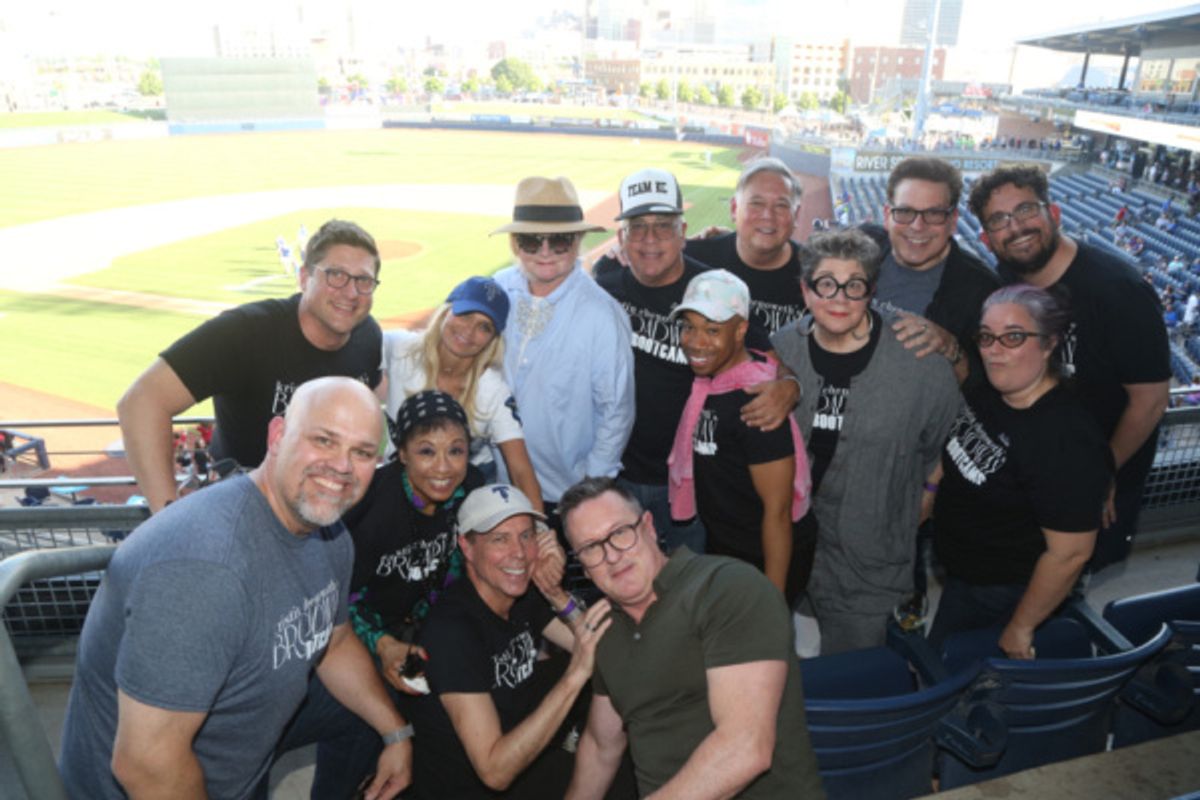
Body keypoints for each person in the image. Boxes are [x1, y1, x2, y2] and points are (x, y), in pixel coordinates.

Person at [60, 378, 412, 800]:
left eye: (362, 452)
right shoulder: (205, 569)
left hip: (237, 763)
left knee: (376, 704)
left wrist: (397, 733)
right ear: (278, 436)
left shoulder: (330, 534)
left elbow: (332, 642)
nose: (341, 466)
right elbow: (146, 767)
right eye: (324, 440)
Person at [558, 477, 825, 799]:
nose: (612, 556)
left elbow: (745, 747)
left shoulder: (726, 588)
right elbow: (601, 747)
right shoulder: (607, 633)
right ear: (583, 568)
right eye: (591, 548)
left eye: (619, 533)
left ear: (649, 527)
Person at [968, 165, 1170, 570]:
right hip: (1032, 479)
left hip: (1091, 487)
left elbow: (1150, 400)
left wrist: (1099, 473)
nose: (1017, 227)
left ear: (1054, 213)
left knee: (1064, 596)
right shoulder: (1008, 279)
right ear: (987, 240)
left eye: (1026, 210)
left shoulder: (1119, 291)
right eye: (1000, 220)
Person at [771, 230, 960, 653]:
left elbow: (950, 434)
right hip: (796, 543)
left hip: (873, 553)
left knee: (857, 674)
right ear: (805, 290)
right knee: (799, 657)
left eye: (854, 285)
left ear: (870, 292)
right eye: (825, 284)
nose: (839, 298)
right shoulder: (783, 349)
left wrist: (929, 489)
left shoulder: (919, 362)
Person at [593, 167, 798, 553]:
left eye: (664, 226)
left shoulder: (714, 290)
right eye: (638, 227)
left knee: (690, 600)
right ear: (621, 237)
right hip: (616, 476)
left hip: (692, 486)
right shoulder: (603, 287)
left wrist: (789, 386)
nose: (650, 240)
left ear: (683, 232)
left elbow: (773, 364)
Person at [118, 219, 384, 512]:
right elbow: (141, 401)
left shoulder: (368, 337)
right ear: (304, 277)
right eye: (336, 275)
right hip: (242, 508)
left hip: (324, 509)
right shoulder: (248, 332)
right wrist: (166, 514)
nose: (351, 293)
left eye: (364, 281)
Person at [925, 285, 1112, 658]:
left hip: (1007, 591)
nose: (993, 350)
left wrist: (1020, 628)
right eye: (986, 336)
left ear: (1049, 344)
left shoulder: (1065, 438)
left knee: (948, 680)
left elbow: (1070, 554)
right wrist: (928, 496)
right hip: (965, 576)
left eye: (1013, 337)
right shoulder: (989, 390)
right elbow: (955, 454)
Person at [405, 483, 612, 799]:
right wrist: (575, 676)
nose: (519, 552)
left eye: (527, 536)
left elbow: (600, 650)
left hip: (522, 751)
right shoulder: (452, 631)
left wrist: (555, 593)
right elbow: (494, 772)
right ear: (468, 547)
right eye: (499, 539)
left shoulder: (522, 591)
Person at [667, 269, 813, 602]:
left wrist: (772, 601)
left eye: (712, 330)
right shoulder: (711, 382)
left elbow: (778, 513)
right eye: (688, 326)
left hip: (763, 557)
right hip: (728, 546)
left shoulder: (756, 403)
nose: (695, 341)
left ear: (741, 331)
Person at [492, 176, 635, 512]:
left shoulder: (602, 315)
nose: (544, 252)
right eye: (531, 240)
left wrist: (590, 490)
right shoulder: (496, 290)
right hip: (498, 485)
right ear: (515, 243)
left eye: (559, 241)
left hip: (567, 497)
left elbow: (616, 411)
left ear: (577, 241)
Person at [382, 276, 543, 510]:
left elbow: (520, 470)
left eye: (484, 327)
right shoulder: (398, 349)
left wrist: (539, 532)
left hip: (464, 488)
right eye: (465, 315)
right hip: (398, 476)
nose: (469, 331)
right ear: (447, 311)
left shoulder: (491, 389)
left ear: (492, 340)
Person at [861, 156, 999, 388]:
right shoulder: (860, 245)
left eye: (934, 214)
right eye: (905, 211)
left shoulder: (984, 293)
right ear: (887, 215)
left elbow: (988, 390)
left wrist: (950, 348)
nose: (917, 226)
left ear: (953, 221)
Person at [684, 157, 808, 336]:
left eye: (781, 206)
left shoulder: (816, 275)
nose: (768, 215)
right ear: (734, 209)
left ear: (796, 215)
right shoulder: (695, 258)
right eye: (756, 203)